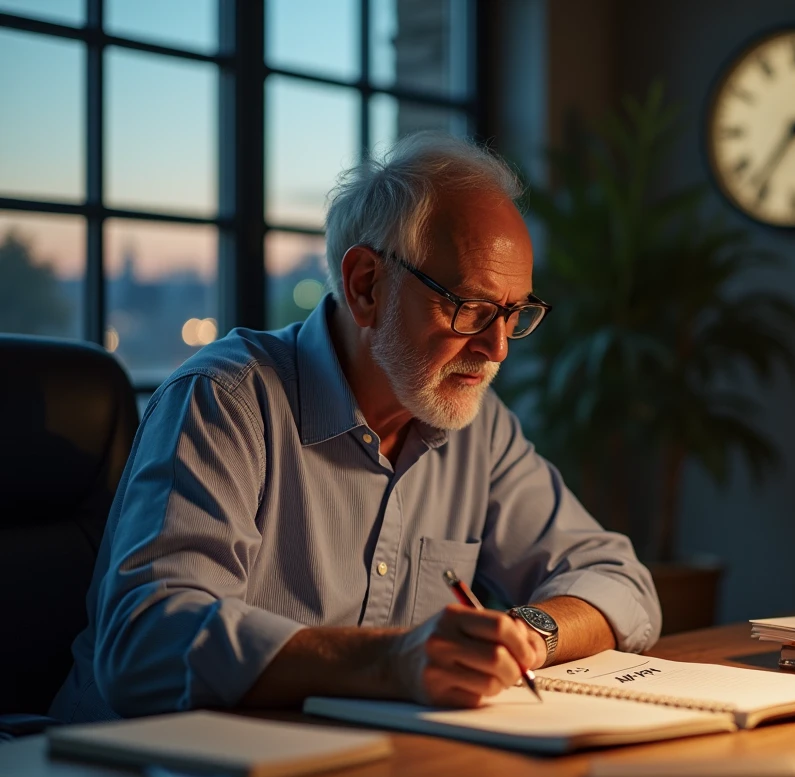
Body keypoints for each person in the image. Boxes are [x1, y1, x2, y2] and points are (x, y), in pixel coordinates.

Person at [50, 132, 662, 723]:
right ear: (366, 284)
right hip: (132, 771)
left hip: (350, 768)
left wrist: (527, 634)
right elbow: (146, 642)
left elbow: (620, 580)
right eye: (471, 308)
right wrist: (393, 661)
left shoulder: (478, 428)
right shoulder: (226, 400)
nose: (498, 349)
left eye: (514, 313)